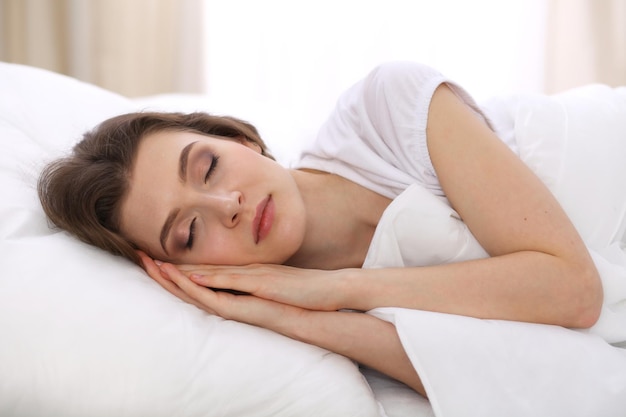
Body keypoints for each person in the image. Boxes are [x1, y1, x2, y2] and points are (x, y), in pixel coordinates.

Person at [37, 61, 611, 398]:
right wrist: (286, 313)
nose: (227, 203)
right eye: (188, 231)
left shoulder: (388, 107)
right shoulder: (307, 321)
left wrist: (338, 289)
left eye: (208, 165)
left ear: (239, 138)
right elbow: (489, 371)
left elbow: (573, 291)